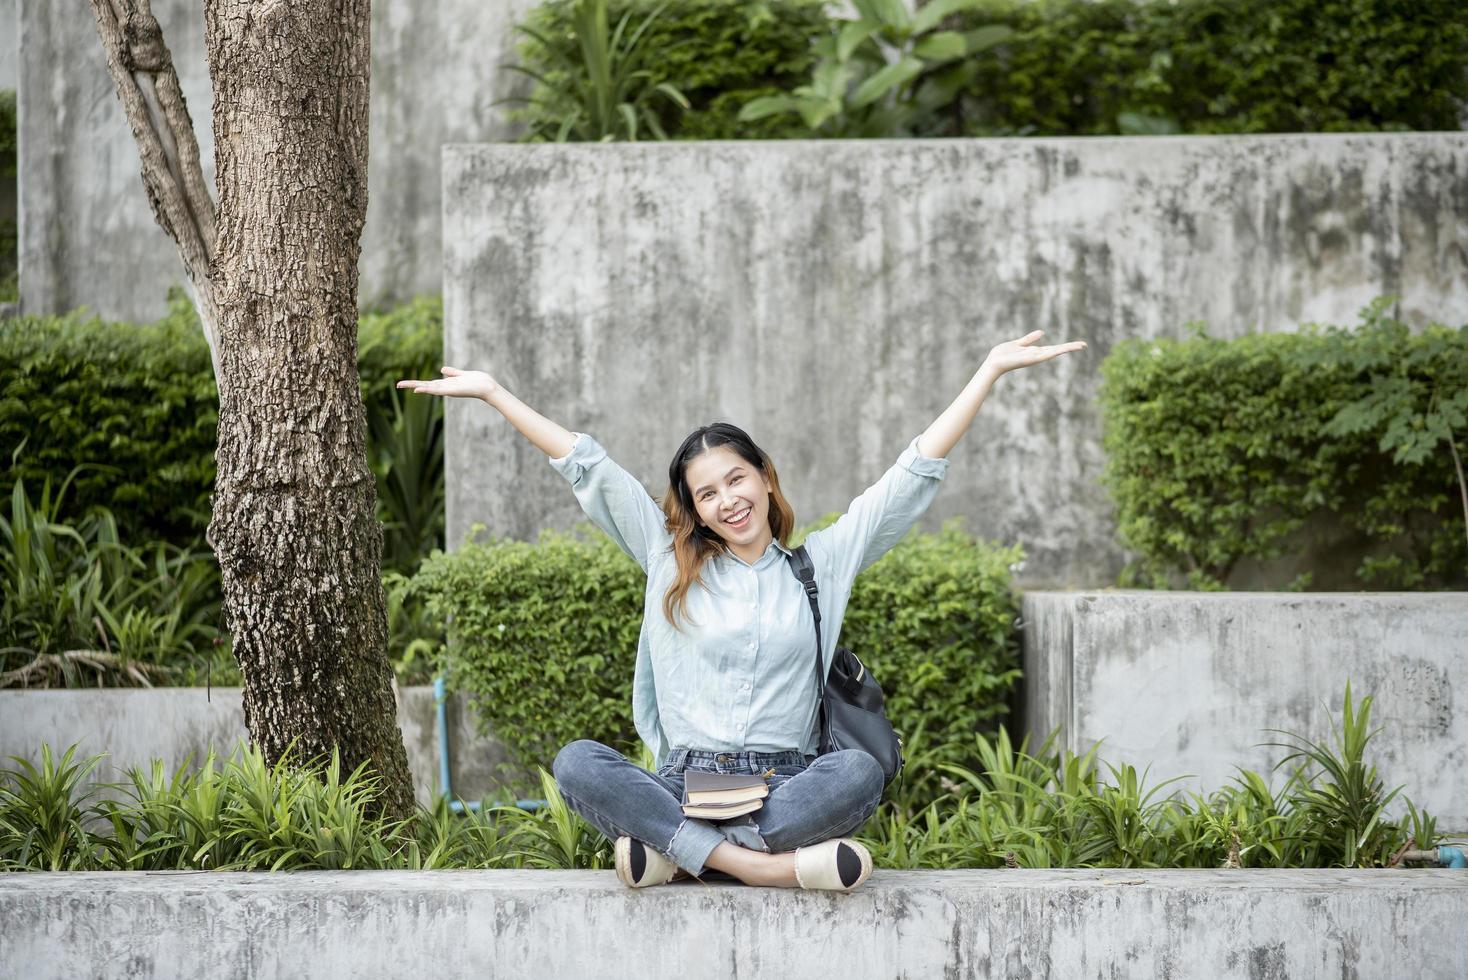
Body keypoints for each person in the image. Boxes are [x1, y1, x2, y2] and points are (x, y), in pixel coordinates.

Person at [398, 329, 1085, 891]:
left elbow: (908, 478)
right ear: (693, 510)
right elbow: (589, 468)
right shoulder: (668, 559)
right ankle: (760, 868)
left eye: (736, 478)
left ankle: (675, 855)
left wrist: (988, 371)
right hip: (686, 781)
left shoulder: (823, 565)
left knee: (856, 774)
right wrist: (492, 393)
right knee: (579, 762)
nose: (727, 500)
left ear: (763, 476)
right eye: (706, 493)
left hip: (783, 786)